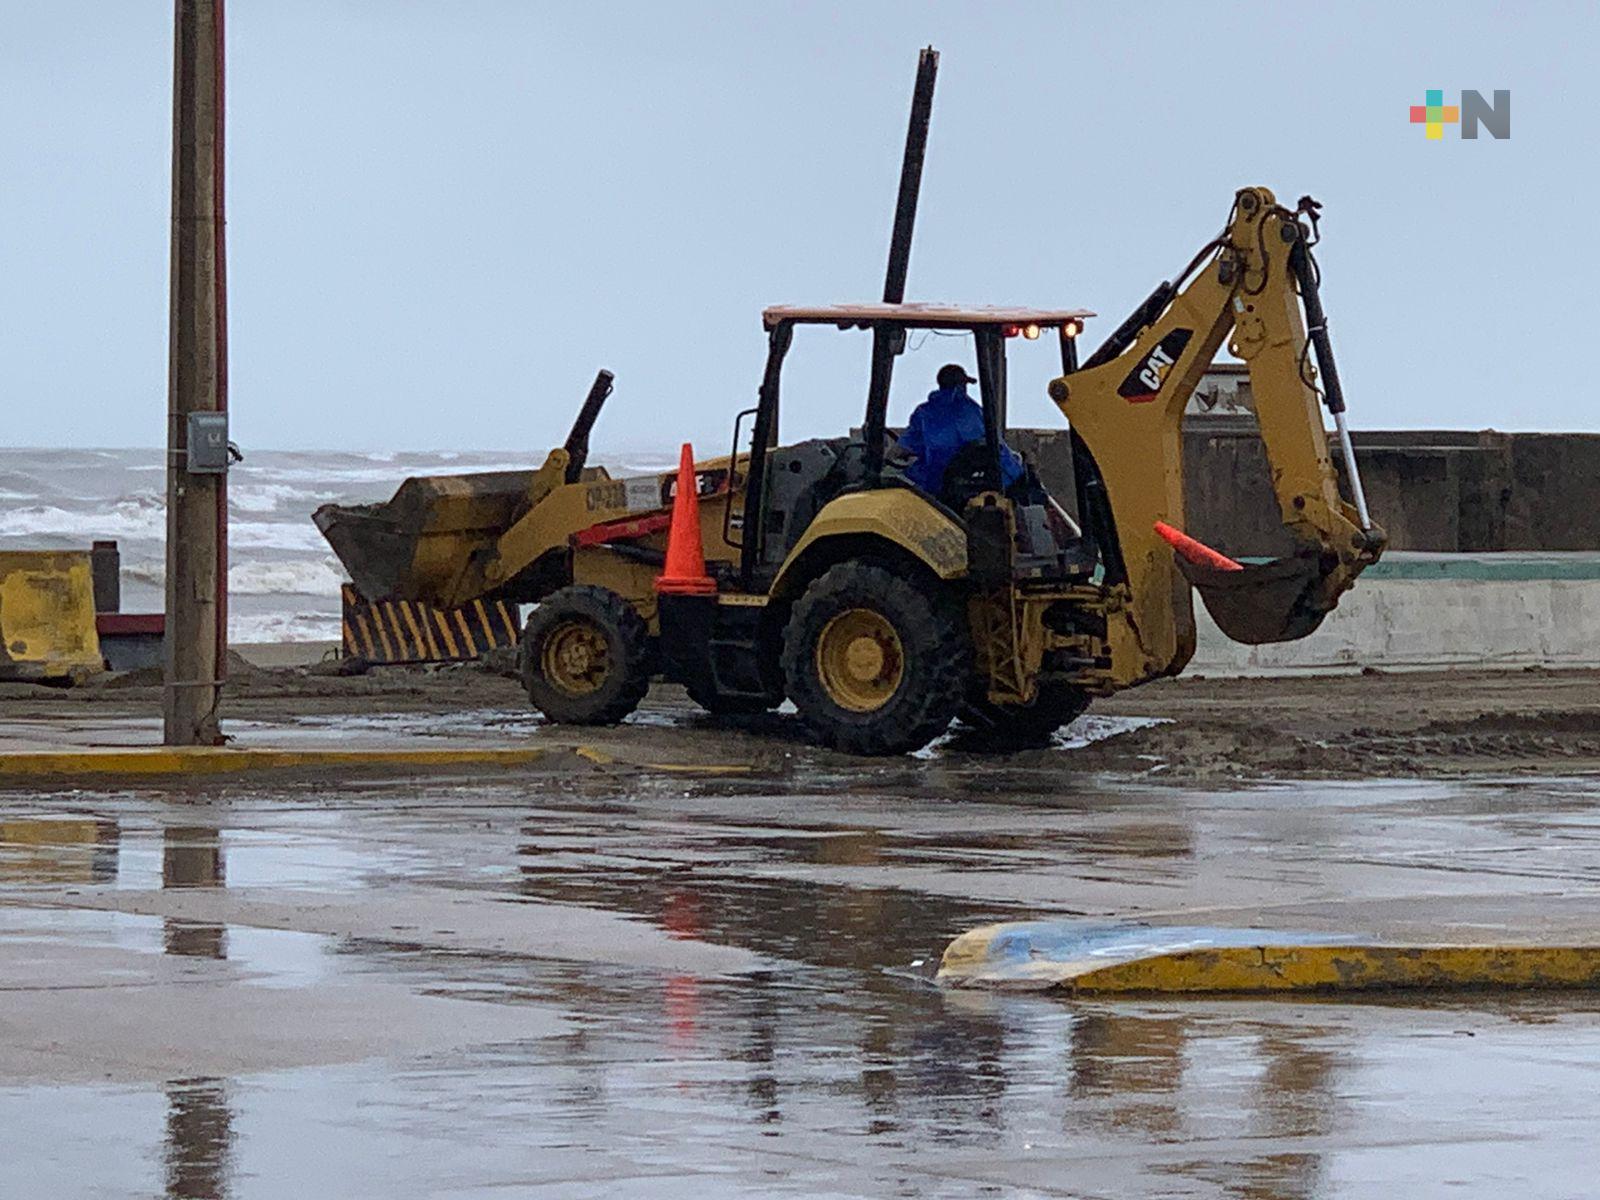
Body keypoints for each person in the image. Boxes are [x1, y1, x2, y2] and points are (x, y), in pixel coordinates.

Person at [895, 363, 1022, 495]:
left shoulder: (924, 412)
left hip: (936, 484)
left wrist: (888, 458)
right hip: (977, 481)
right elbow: (995, 444)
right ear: (961, 385)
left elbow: (903, 448)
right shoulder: (974, 410)